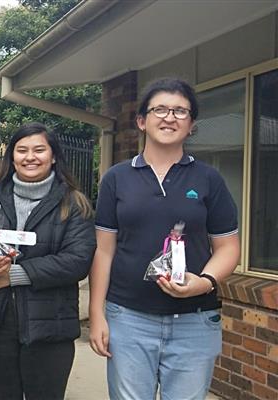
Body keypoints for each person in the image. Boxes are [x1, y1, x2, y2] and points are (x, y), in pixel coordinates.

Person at [89, 77, 241, 400]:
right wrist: (97, 313)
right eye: (160, 109)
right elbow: (104, 251)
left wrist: (205, 281)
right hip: (128, 318)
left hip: (194, 322)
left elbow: (228, 247)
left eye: (180, 111)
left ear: (192, 125)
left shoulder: (209, 179)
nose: (169, 117)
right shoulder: (116, 179)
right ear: (142, 121)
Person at [0, 122, 95, 400]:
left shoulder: (74, 204)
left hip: (50, 328)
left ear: (54, 155)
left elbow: (77, 261)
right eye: (21, 150)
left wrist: (15, 275)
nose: (30, 157)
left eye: (39, 150)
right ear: (12, 156)